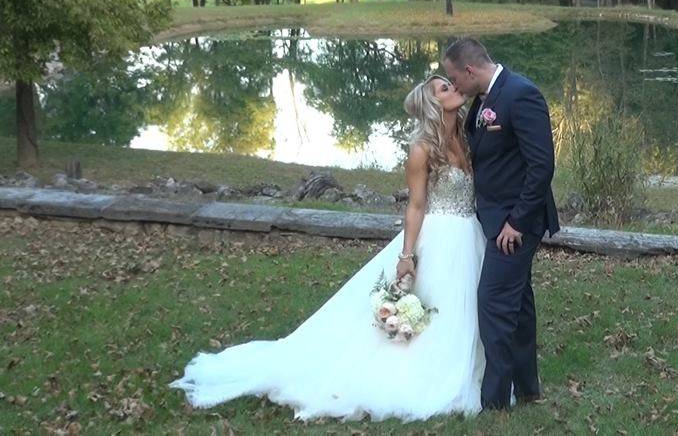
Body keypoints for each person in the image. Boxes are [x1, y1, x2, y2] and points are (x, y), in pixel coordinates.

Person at [170, 75, 488, 421]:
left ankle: (464, 365)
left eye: (452, 84)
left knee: (463, 306)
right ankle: (425, 373)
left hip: (469, 234)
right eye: (445, 88)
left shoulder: (467, 137)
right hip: (437, 237)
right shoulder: (421, 149)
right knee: (435, 304)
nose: (455, 88)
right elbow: (415, 205)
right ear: (432, 104)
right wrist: (407, 256)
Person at [442, 38, 559, 411]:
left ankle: (494, 401)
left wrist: (517, 223)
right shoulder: (482, 101)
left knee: (492, 302)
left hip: (516, 224)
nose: (454, 85)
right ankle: (527, 389)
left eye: (453, 77)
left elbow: (541, 166)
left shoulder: (521, 95)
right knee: (518, 305)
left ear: (470, 70)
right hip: (495, 219)